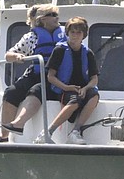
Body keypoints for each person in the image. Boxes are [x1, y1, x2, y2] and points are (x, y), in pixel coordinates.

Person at [0, 5, 63, 141]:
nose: (57, 18)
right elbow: (8, 55)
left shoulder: (65, 34)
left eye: (57, 15)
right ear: (43, 19)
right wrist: (16, 57)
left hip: (56, 75)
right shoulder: (31, 37)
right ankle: (4, 135)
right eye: (53, 15)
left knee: (36, 90)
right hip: (37, 73)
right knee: (11, 92)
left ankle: (19, 123)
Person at [36, 16, 100, 145]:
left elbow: (94, 79)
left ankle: (75, 132)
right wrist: (66, 87)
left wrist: (86, 88)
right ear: (67, 33)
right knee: (76, 99)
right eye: (72, 32)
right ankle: (47, 132)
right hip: (64, 89)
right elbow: (51, 77)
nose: (75, 36)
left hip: (82, 89)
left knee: (94, 95)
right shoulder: (59, 50)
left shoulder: (88, 53)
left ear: (84, 35)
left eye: (79, 32)